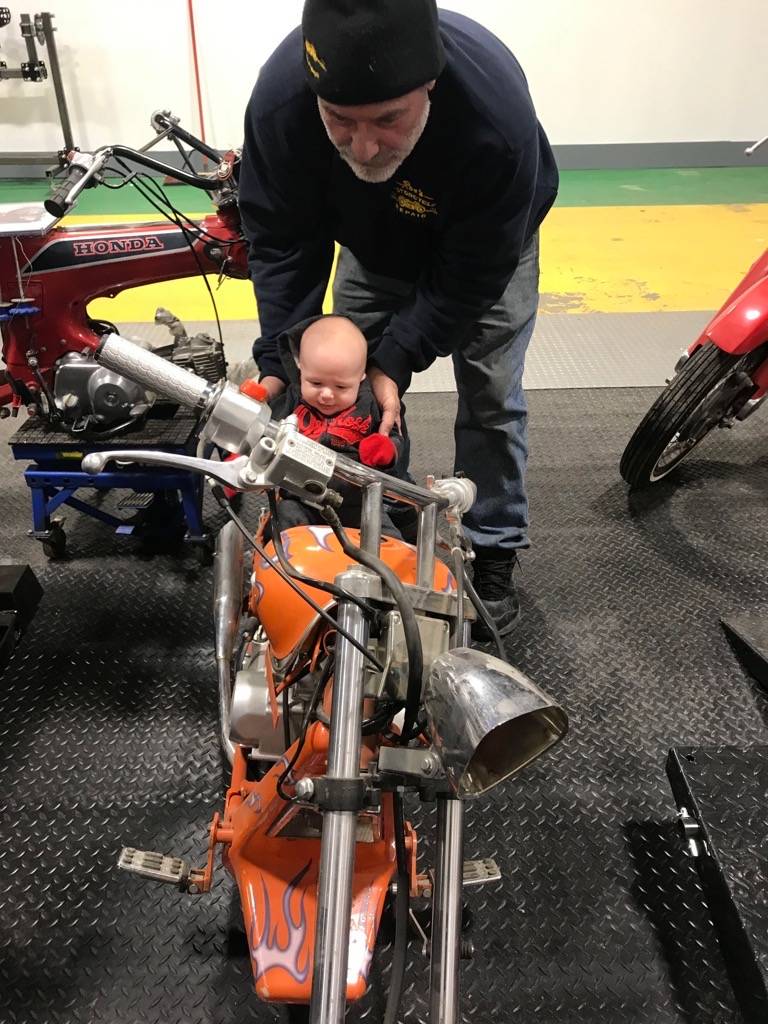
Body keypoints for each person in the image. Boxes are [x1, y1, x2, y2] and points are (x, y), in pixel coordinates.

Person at [239, 0, 559, 640]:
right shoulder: (281, 104)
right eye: (339, 120)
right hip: (371, 244)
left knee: (491, 395)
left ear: (429, 85)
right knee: (340, 392)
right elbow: (281, 242)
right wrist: (286, 358)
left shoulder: (494, 121)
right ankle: (368, 524)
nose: (363, 145)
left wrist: (397, 354)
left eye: (388, 119)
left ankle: (492, 548)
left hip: (486, 250)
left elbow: (472, 271)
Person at [267, 313, 404, 534]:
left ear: (361, 376)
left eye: (341, 387)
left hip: (358, 505)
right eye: (316, 382)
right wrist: (244, 452)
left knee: (392, 545)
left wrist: (386, 450)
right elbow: (265, 431)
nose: (327, 395)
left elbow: (394, 437)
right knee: (282, 524)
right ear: (300, 366)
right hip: (301, 501)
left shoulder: (369, 404)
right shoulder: (292, 399)